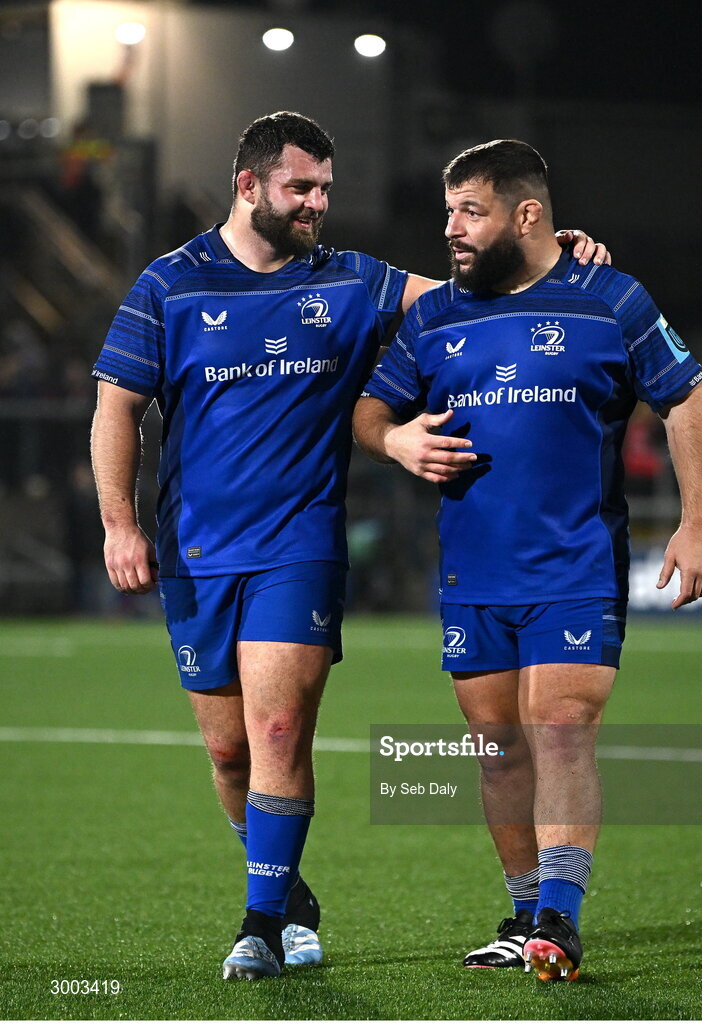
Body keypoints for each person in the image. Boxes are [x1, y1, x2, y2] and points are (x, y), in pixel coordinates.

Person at [89, 112, 607, 981]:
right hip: (195, 550)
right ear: (248, 186)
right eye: (300, 188)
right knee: (228, 753)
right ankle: (287, 893)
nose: (316, 204)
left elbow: (464, 292)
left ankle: (257, 923)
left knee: (281, 726)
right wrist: (118, 521)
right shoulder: (167, 284)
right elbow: (117, 407)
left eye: (324, 188)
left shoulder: (350, 281)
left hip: (299, 545)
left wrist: (551, 252)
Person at [353, 139, 702, 983]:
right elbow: (371, 409)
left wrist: (696, 524)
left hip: (573, 564)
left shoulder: (610, 299)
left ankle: (559, 920)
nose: (450, 228)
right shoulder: (436, 314)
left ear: (526, 215)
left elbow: (687, 399)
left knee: (559, 731)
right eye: (447, 210)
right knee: (495, 747)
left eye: (469, 211)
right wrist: (395, 438)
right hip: (472, 572)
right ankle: (523, 915)